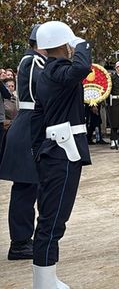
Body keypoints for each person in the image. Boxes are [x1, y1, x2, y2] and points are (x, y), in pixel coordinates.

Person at [29, 21, 91, 287]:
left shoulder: (46, 72)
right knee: (53, 220)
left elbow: (37, 118)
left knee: (50, 217)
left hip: (52, 150)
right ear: (64, 44)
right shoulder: (58, 70)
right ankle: (43, 282)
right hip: (62, 152)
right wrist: (81, 43)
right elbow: (82, 67)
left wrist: (38, 149)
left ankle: (47, 278)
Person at [0, 24, 45, 262]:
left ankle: (22, 239)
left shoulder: (33, 60)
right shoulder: (33, 62)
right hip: (28, 128)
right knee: (25, 190)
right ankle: (19, 243)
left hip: (30, 126)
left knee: (29, 188)